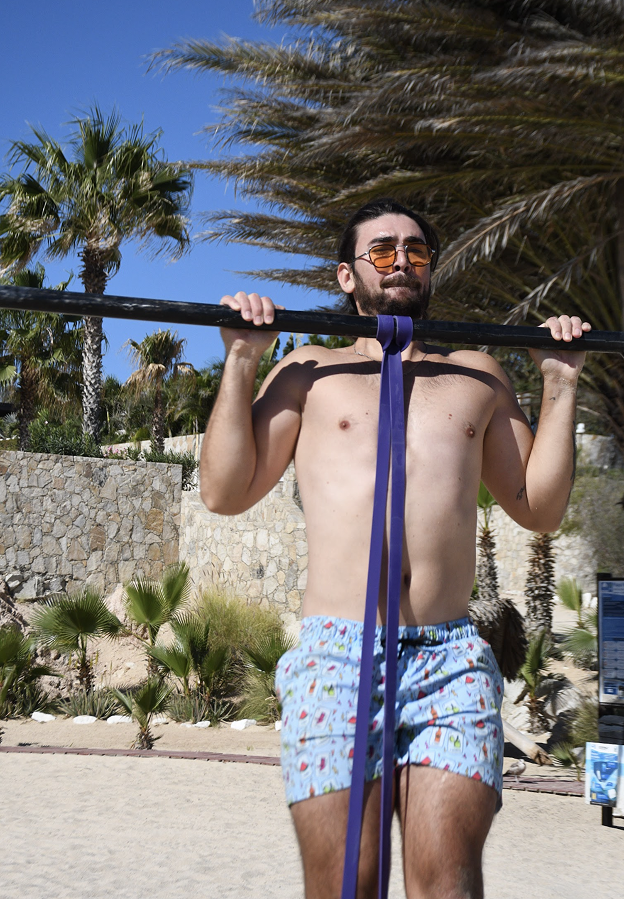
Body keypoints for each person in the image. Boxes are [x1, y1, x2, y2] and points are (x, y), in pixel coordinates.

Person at [200, 198, 590, 899]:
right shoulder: (308, 370)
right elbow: (225, 491)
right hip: (335, 654)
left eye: (415, 248)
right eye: (381, 250)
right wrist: (239, 360)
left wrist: (560, 383)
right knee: (345, 882)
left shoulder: (476, 375)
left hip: (448, 660)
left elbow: (540, 507)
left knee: (448, 882)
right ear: (347, 275)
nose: (402, 259)